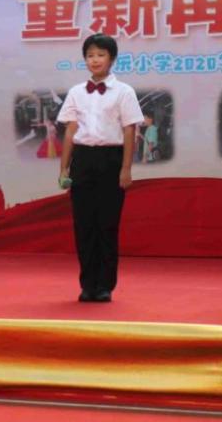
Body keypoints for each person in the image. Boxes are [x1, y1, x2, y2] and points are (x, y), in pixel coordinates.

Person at [57, 33, 143, 303]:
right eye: (90, 55)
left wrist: (126, 169)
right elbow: (70, 131)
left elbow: (129, 131)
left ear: (112, 58)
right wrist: (64, 168)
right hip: (82, 159)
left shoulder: (124, 91)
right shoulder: (76, 92)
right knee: (83, 225)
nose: (95, 60)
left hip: (111, 159)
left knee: (107, 224)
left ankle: (105, 285)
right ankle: (87, 284)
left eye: (101, 55)